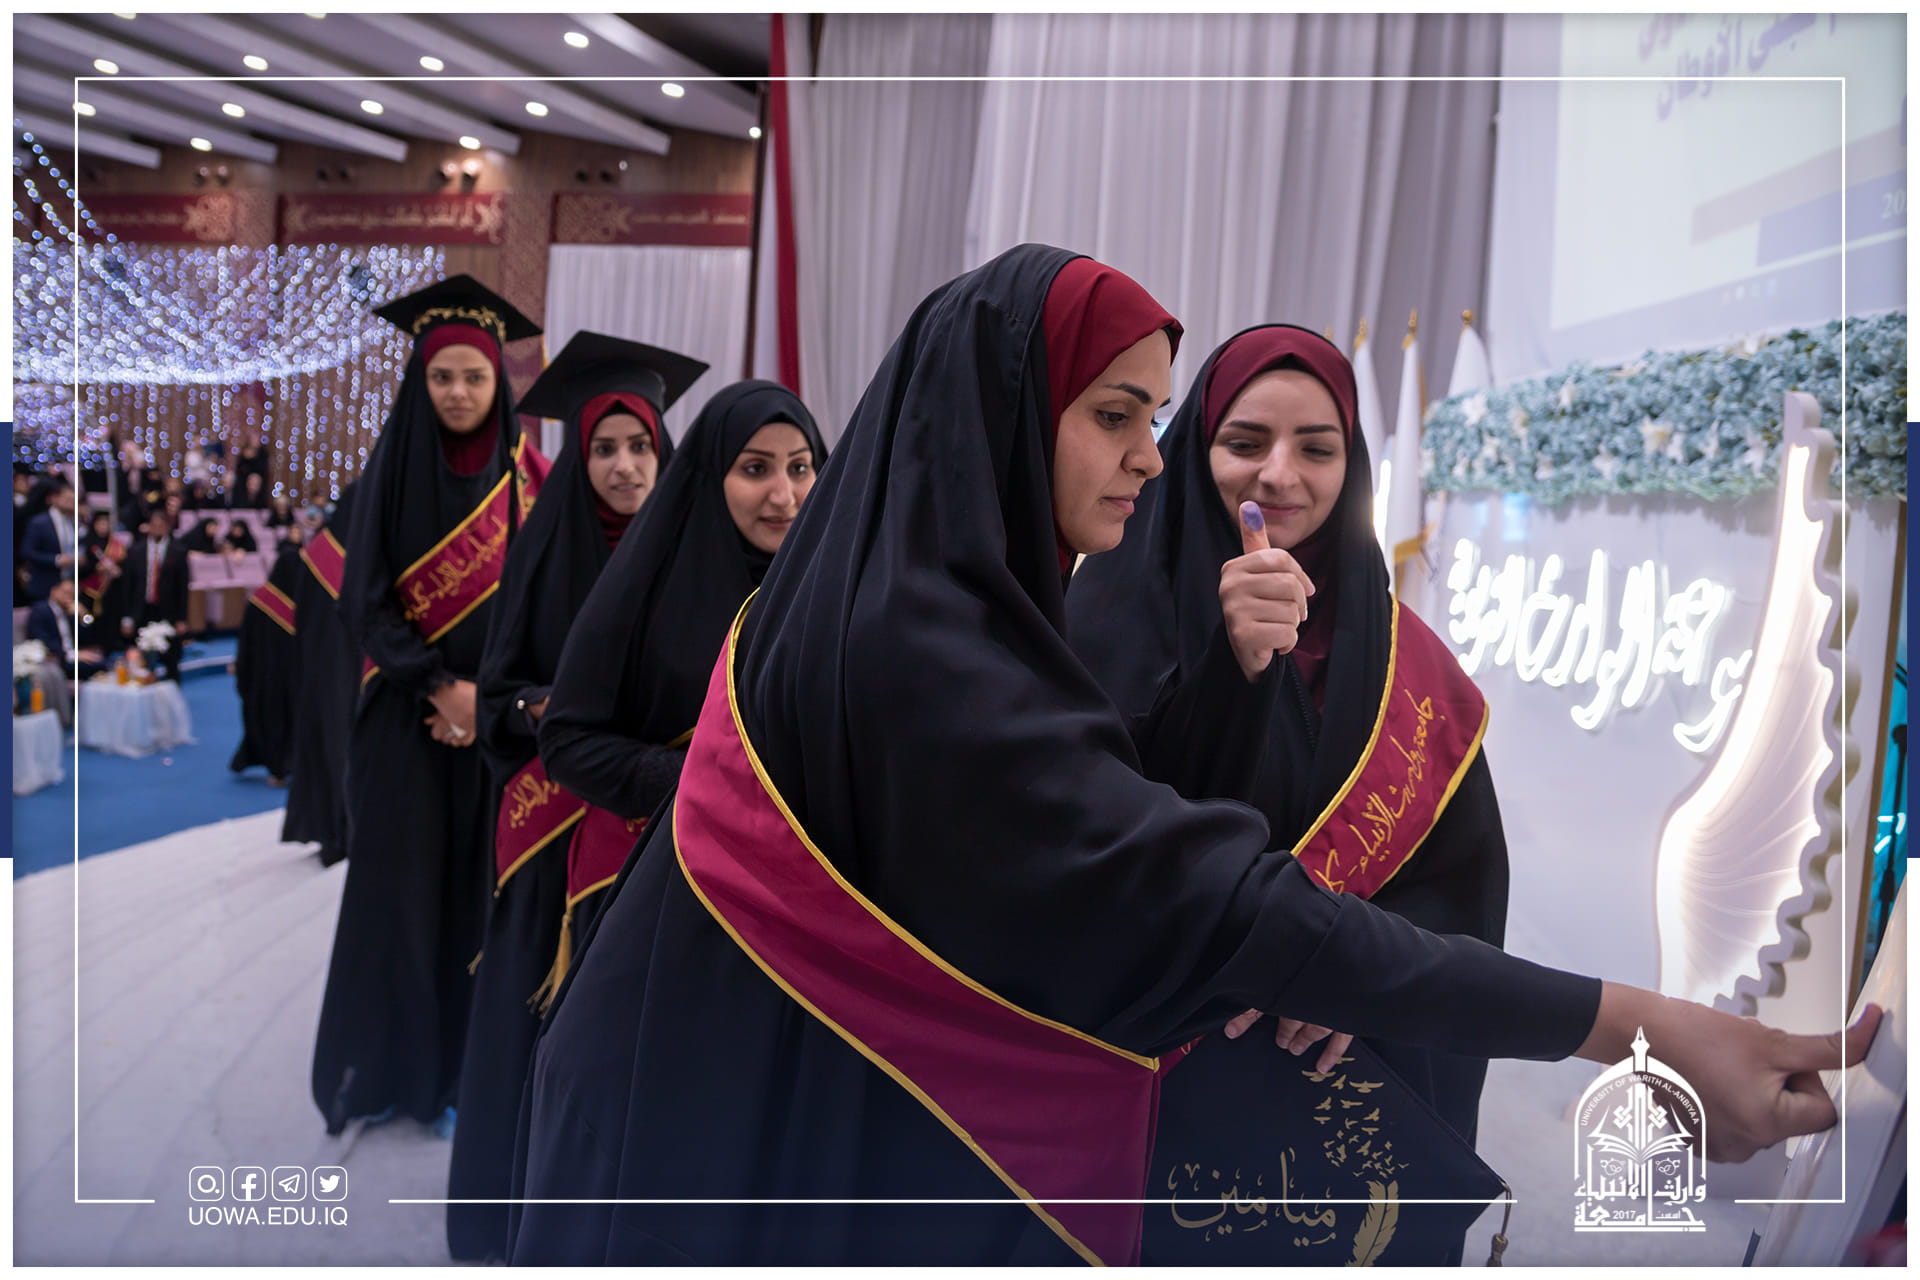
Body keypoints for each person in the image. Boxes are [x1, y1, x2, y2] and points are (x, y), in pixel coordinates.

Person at [506, 245, 1877, 1266]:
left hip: (760, 1094)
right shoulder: (927, 651)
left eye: (1155, 422)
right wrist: (1646, 1028)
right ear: (1007, 409)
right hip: (711, 1138)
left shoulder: (910, 594)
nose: (1155, 461)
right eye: (1115, 415)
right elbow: (1198, 887)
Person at [1065, 325, 1506, 1262]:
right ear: (1195, 447)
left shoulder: (1406, 659)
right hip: (1154, 1063)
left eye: (1318, 448)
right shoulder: (1099, 616)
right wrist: (1232, 671)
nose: (1280, 475)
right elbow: (1083, 848)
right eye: (1245, 441)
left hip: (1340, 1068)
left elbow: (1457, 883)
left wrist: (1361, 980)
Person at [445, 330, 708, 1262]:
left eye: (640, 446)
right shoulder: (545, 548)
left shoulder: (699, 553)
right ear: (579, 456)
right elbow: (497, 692)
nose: (625, 466)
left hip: (657, 834)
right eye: (604, 448)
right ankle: (510, 1216)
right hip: (554, 838)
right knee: (533, 1022)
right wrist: (538, 709)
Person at [311, 274, 543, 1138]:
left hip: (494, 729)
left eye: (473, 376)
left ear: (498, 383)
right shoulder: (388, 474)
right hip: (404, 723)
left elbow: (544, 605)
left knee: (476, 904)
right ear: (420, 380)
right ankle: (389, 1073)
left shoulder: (531, 481)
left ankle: (458, 1075)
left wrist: (487, 700)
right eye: (441, 375)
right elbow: (363, 602)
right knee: (397, 903)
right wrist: (439, 687)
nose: (457, 392)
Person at [281, 483, 361, 869]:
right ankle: (347, 831)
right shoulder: (358, 556)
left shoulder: (316, 553)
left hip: (317, 668)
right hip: (350, 669)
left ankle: (329, 833)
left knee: (324, 746)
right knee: (344, 748)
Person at [229, 534, 305, 784]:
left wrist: (243, 671)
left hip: (263, 677)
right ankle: (283, 766)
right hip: (291, 677)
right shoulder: (302, 605)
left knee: (267, 719)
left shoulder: (259, 600)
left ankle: (275, 767)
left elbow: (246, 642)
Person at [121, 507, 189, 681]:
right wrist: (127, 616)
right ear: (148, 527)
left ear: (167, 527)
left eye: (161, 525)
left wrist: (182, 618)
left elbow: (182, 588)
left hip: (168, 611)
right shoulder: (135, 551)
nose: (157, 529)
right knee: (140, 658)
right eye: (154, 525)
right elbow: (128, 586)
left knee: (171, 658)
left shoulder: (178, 551)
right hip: (142, 609)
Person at [27, 576, 100, 727]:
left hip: (74, 657)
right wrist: (73, 655)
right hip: (57, 661)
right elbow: (40, 641)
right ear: (54, 591)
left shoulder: (69, 612)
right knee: (102, 666)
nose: (68, 597)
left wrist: (83, 615)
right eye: (65, 592)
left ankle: (91, 717)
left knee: (103, 663)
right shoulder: (41, 609)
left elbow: (88, 636)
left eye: (72, 595)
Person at [19, 475, 78, 603]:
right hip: (44, 586)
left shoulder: (74, 522)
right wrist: (56, 560)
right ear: (55, 498)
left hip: (67, 585)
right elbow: (27, 552)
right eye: (67, 499)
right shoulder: (39, 522)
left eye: (74, 500)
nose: (71, 503)